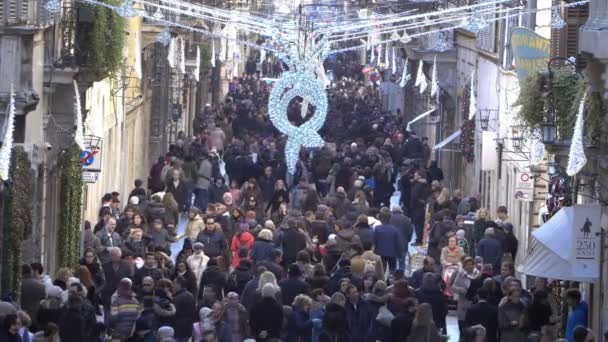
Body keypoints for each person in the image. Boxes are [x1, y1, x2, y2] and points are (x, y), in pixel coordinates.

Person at [452, 256, 480, 336]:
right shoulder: (461, 275)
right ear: (464, 266)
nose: (470, 266)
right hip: (463, 302)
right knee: (462, 323)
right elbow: (454, 287)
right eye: (468, 264)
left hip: (473, 302)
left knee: (472, 324)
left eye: (471, 264)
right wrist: (461, 290)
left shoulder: (477, 274)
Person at [373, 207, 405, 272]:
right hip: (392, 254)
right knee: (392, 271)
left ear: (381, 218)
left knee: (381, 271)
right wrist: (400, 255)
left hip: (380, 254)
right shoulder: (395, 230)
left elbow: (374, 242)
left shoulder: (377, 229)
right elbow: (399, 244)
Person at [20, 264, 46, 331]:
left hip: (21, 316)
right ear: (31, 272)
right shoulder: (41, 285)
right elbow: (43, 298)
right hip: (35, 315)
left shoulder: (19, 284)